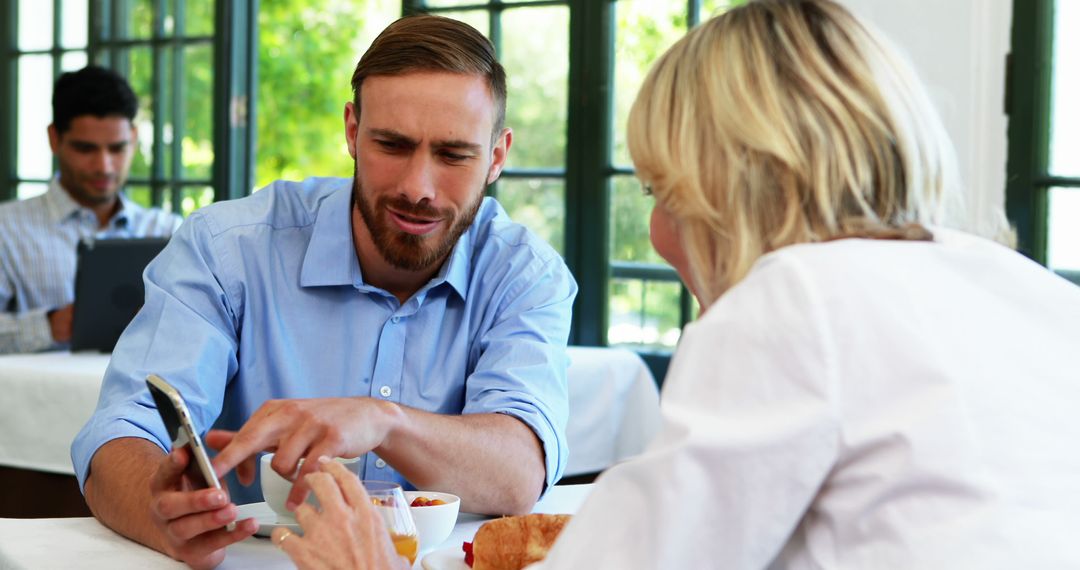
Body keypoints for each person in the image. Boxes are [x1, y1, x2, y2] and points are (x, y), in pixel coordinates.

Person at [271, 1, 1080, 568]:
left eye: (662, 192)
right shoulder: (1033, 295)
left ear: (731, 184)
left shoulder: (795, 300)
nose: (658, 239)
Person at [71, 14, 577, 569]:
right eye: (393, 144)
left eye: (454, 155)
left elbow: (519, 469)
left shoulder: (524, 273)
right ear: (352, 131)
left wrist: (382, 420)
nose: (418, 188)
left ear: (497, 157)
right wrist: (154, 503)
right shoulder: (226, 249)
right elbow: (122, 428)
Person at [0, 65, 182, 354]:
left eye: (117, 148)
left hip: (146, 397)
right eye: (85, 149)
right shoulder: (6, 230)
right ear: (54, 139)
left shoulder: (169, 232)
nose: (104, 166)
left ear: (133, 139)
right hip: (39, 397)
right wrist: (49, 326)